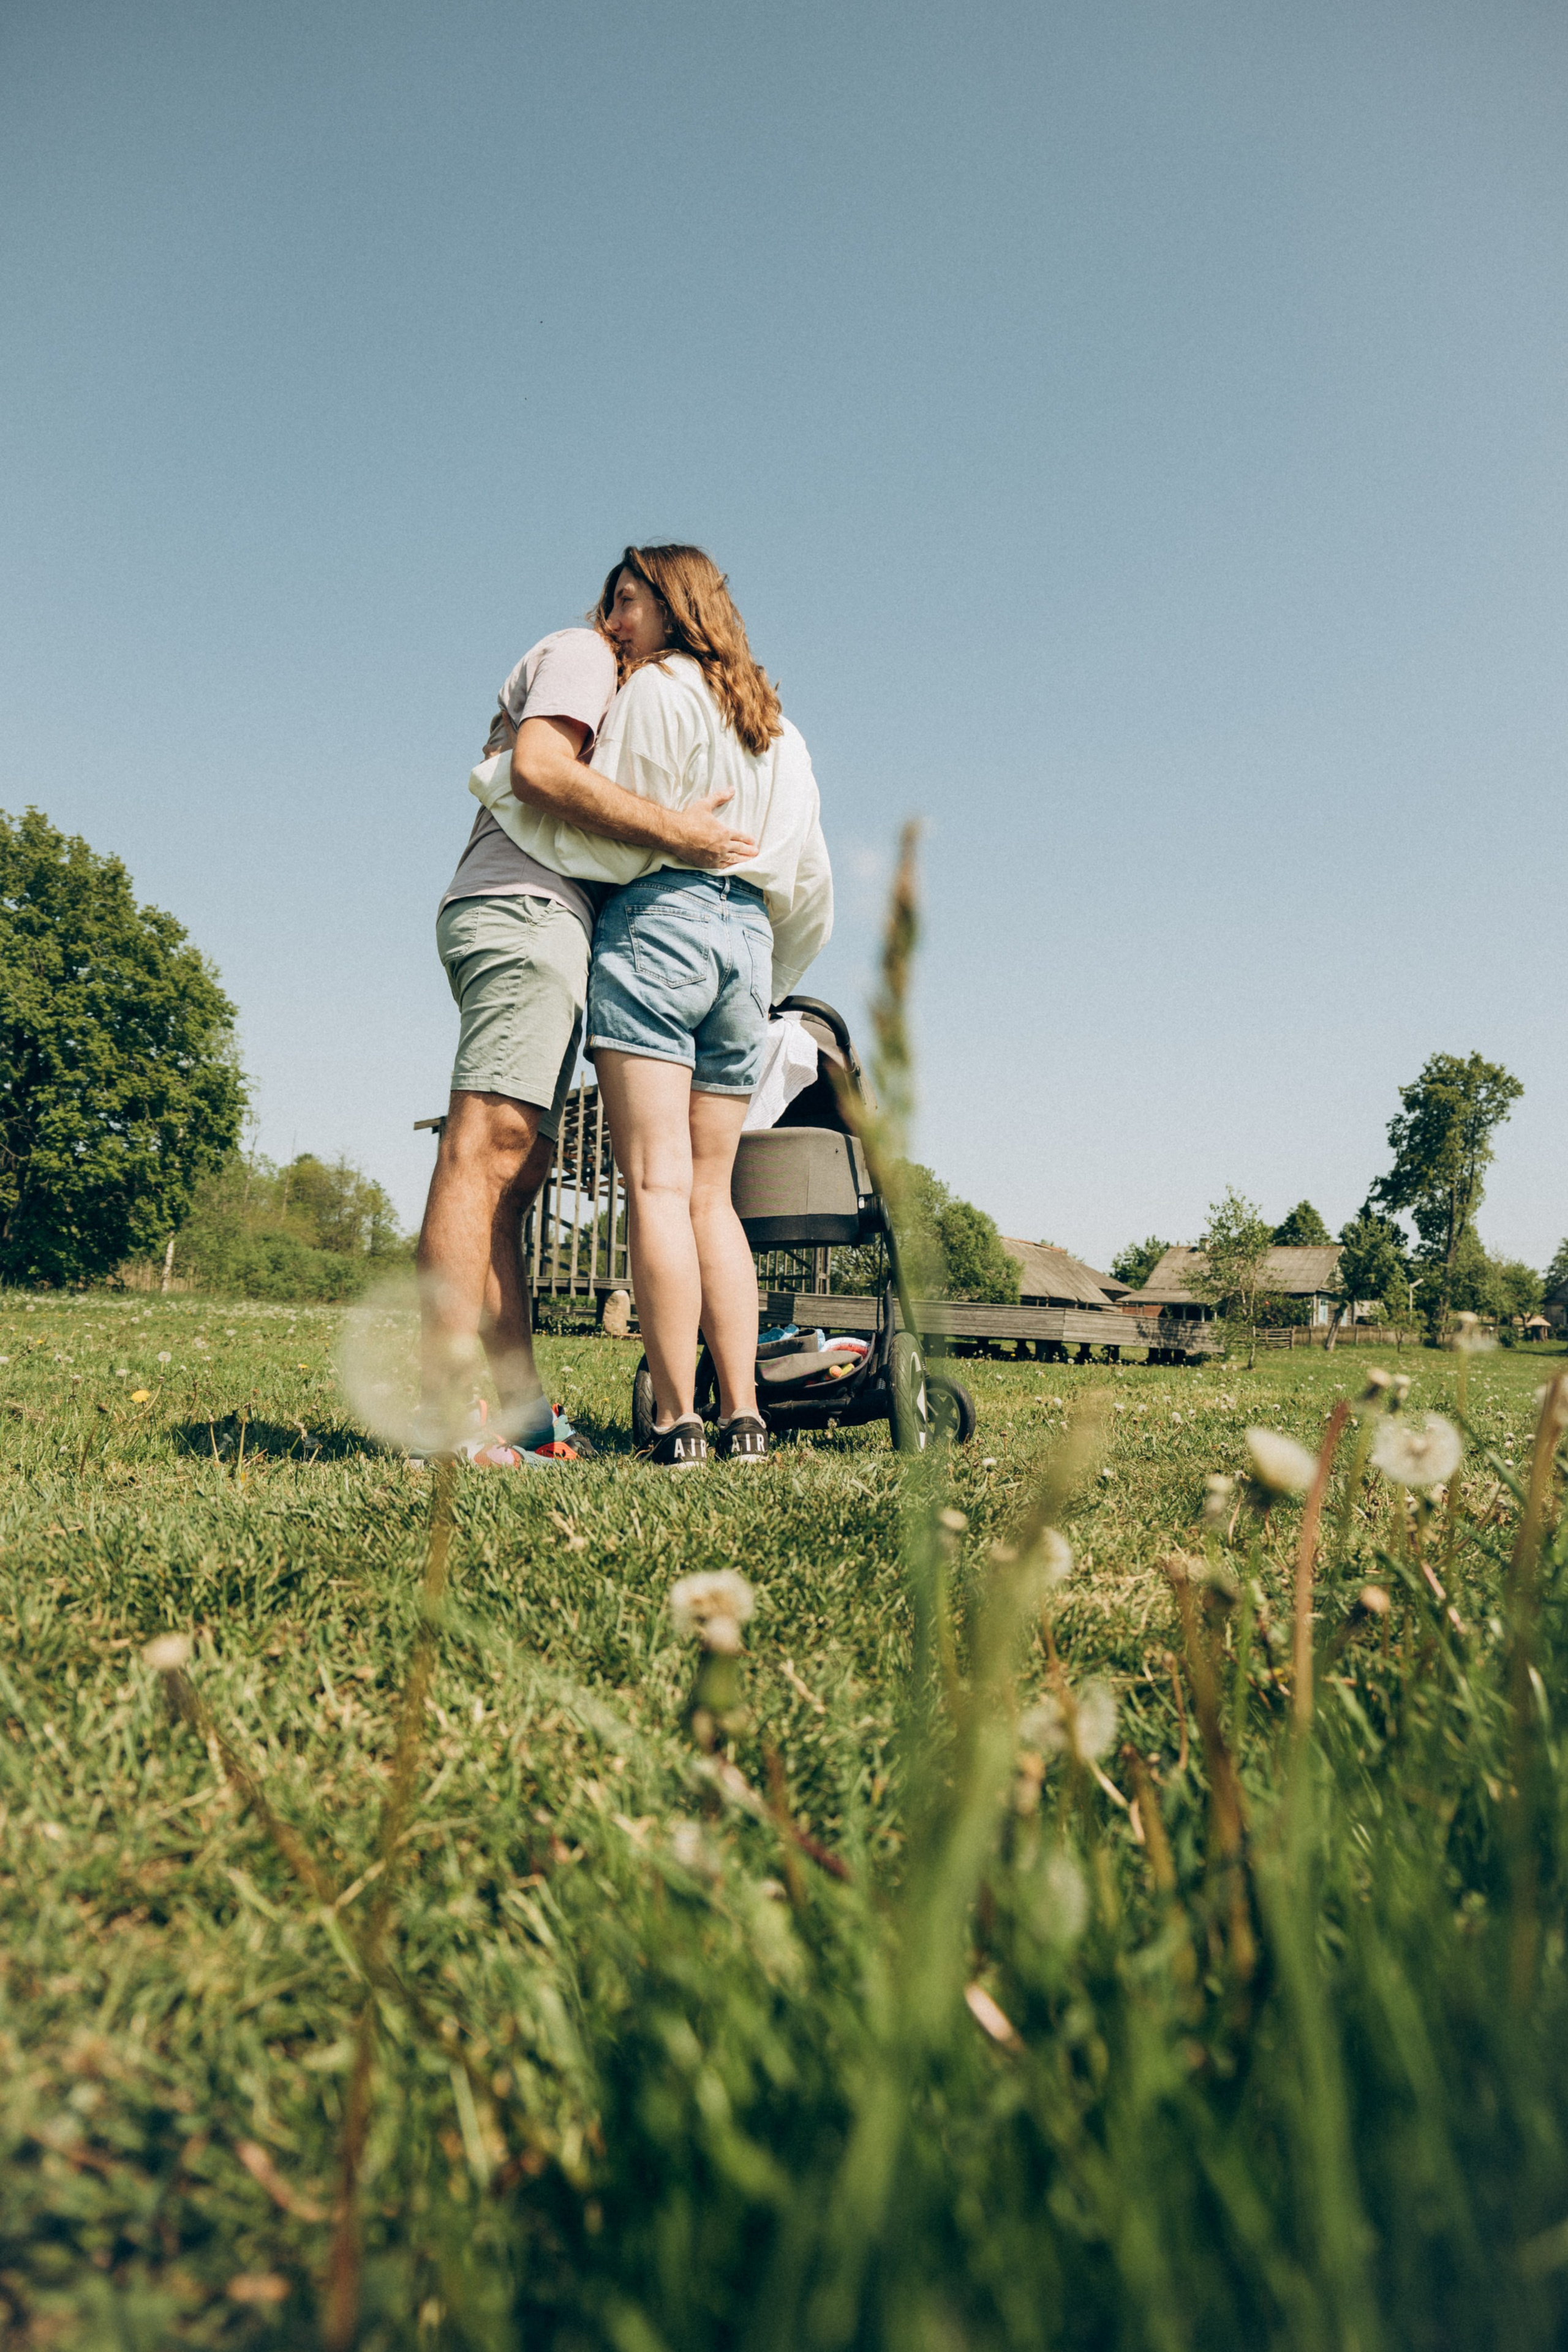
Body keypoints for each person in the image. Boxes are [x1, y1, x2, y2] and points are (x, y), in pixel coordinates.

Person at [477, 544, 832, 1467]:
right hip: (750, 948)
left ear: (677, 608)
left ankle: (677, 1420)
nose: (613, 621)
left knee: (659, 1190)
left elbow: (602, 820)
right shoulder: (782, 733)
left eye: (629, 601)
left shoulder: (655, 696)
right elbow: (811, 881)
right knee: (714, 1197)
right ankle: (746, 1416)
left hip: (659, 927)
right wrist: (761, 969)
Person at [417, 625, 755, 1454]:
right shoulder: (587, 653)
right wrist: (678, 835)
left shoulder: (624, 691)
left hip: (550, 918)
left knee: (518, 1167)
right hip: (527, 906)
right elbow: (537, 767)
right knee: (485, 1148)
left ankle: (522, 1415)